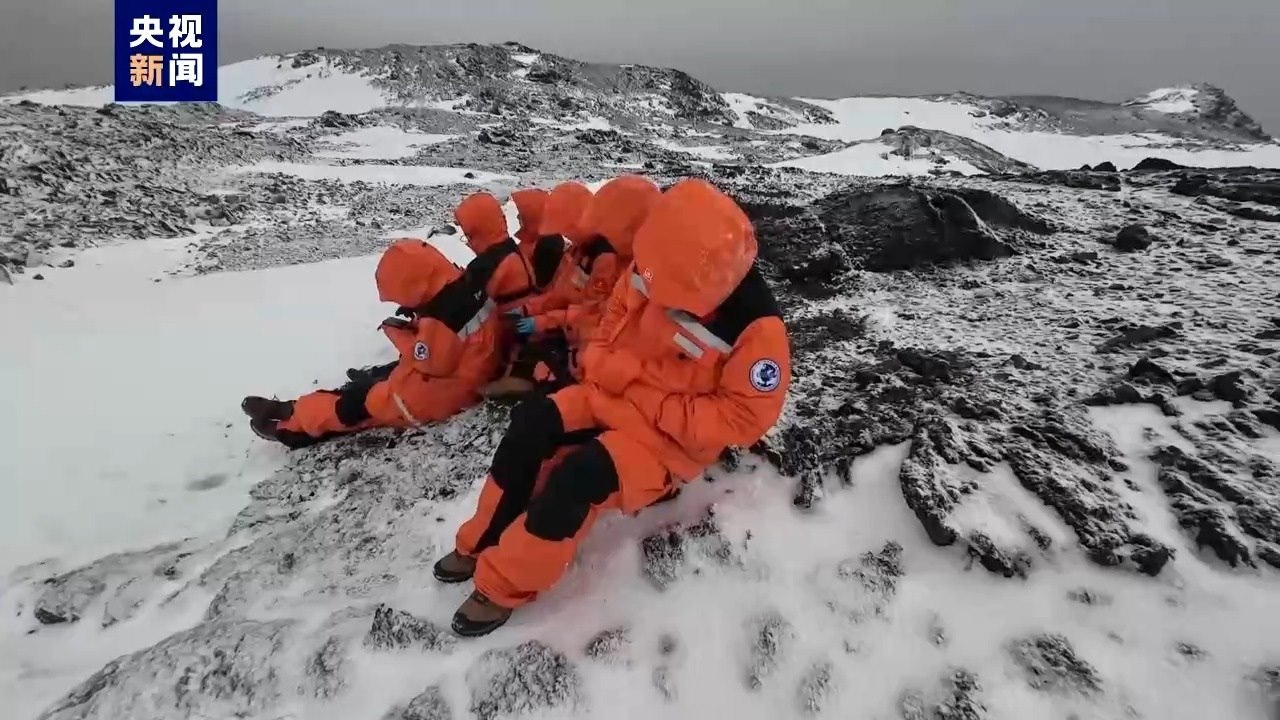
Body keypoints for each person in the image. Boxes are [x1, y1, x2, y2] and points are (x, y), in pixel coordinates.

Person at [435, 178, 792, 637]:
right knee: (531, 423)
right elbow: (607, 324)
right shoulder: (654, 263)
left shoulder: (757, 331)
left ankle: (504, 585)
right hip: (610, 393)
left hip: (667, 441)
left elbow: (742, 420)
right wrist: (600, 362)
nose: (651, 290)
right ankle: (480, 541)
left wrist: (647, 397)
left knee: (578, 477)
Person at [241, 238, 504, 448]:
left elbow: (430, 362)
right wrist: (419, 321)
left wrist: (396, 332)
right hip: (468, 372)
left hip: (434, 395)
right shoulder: (464, 284)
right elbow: (457, 342)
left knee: (356, 407)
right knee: (368, 388)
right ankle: (295, 408)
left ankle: (290, 427)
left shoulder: (441, 319)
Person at [487, 175, 661, 398]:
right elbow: (561, 292)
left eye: (567, 230)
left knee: (545, 361)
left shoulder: (609, 262)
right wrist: (529, 309)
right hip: (573, 332)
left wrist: (545, 321)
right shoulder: (578, 252)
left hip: (588, 345)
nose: (566, 236)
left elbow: (596, 318)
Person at [454, 191, 536, 314]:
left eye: (468, 235)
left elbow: (463, 306)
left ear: (477, 232)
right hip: (526, 314)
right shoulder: (511, 248)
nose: (468, 241)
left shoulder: (487, 265)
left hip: (506, 323)